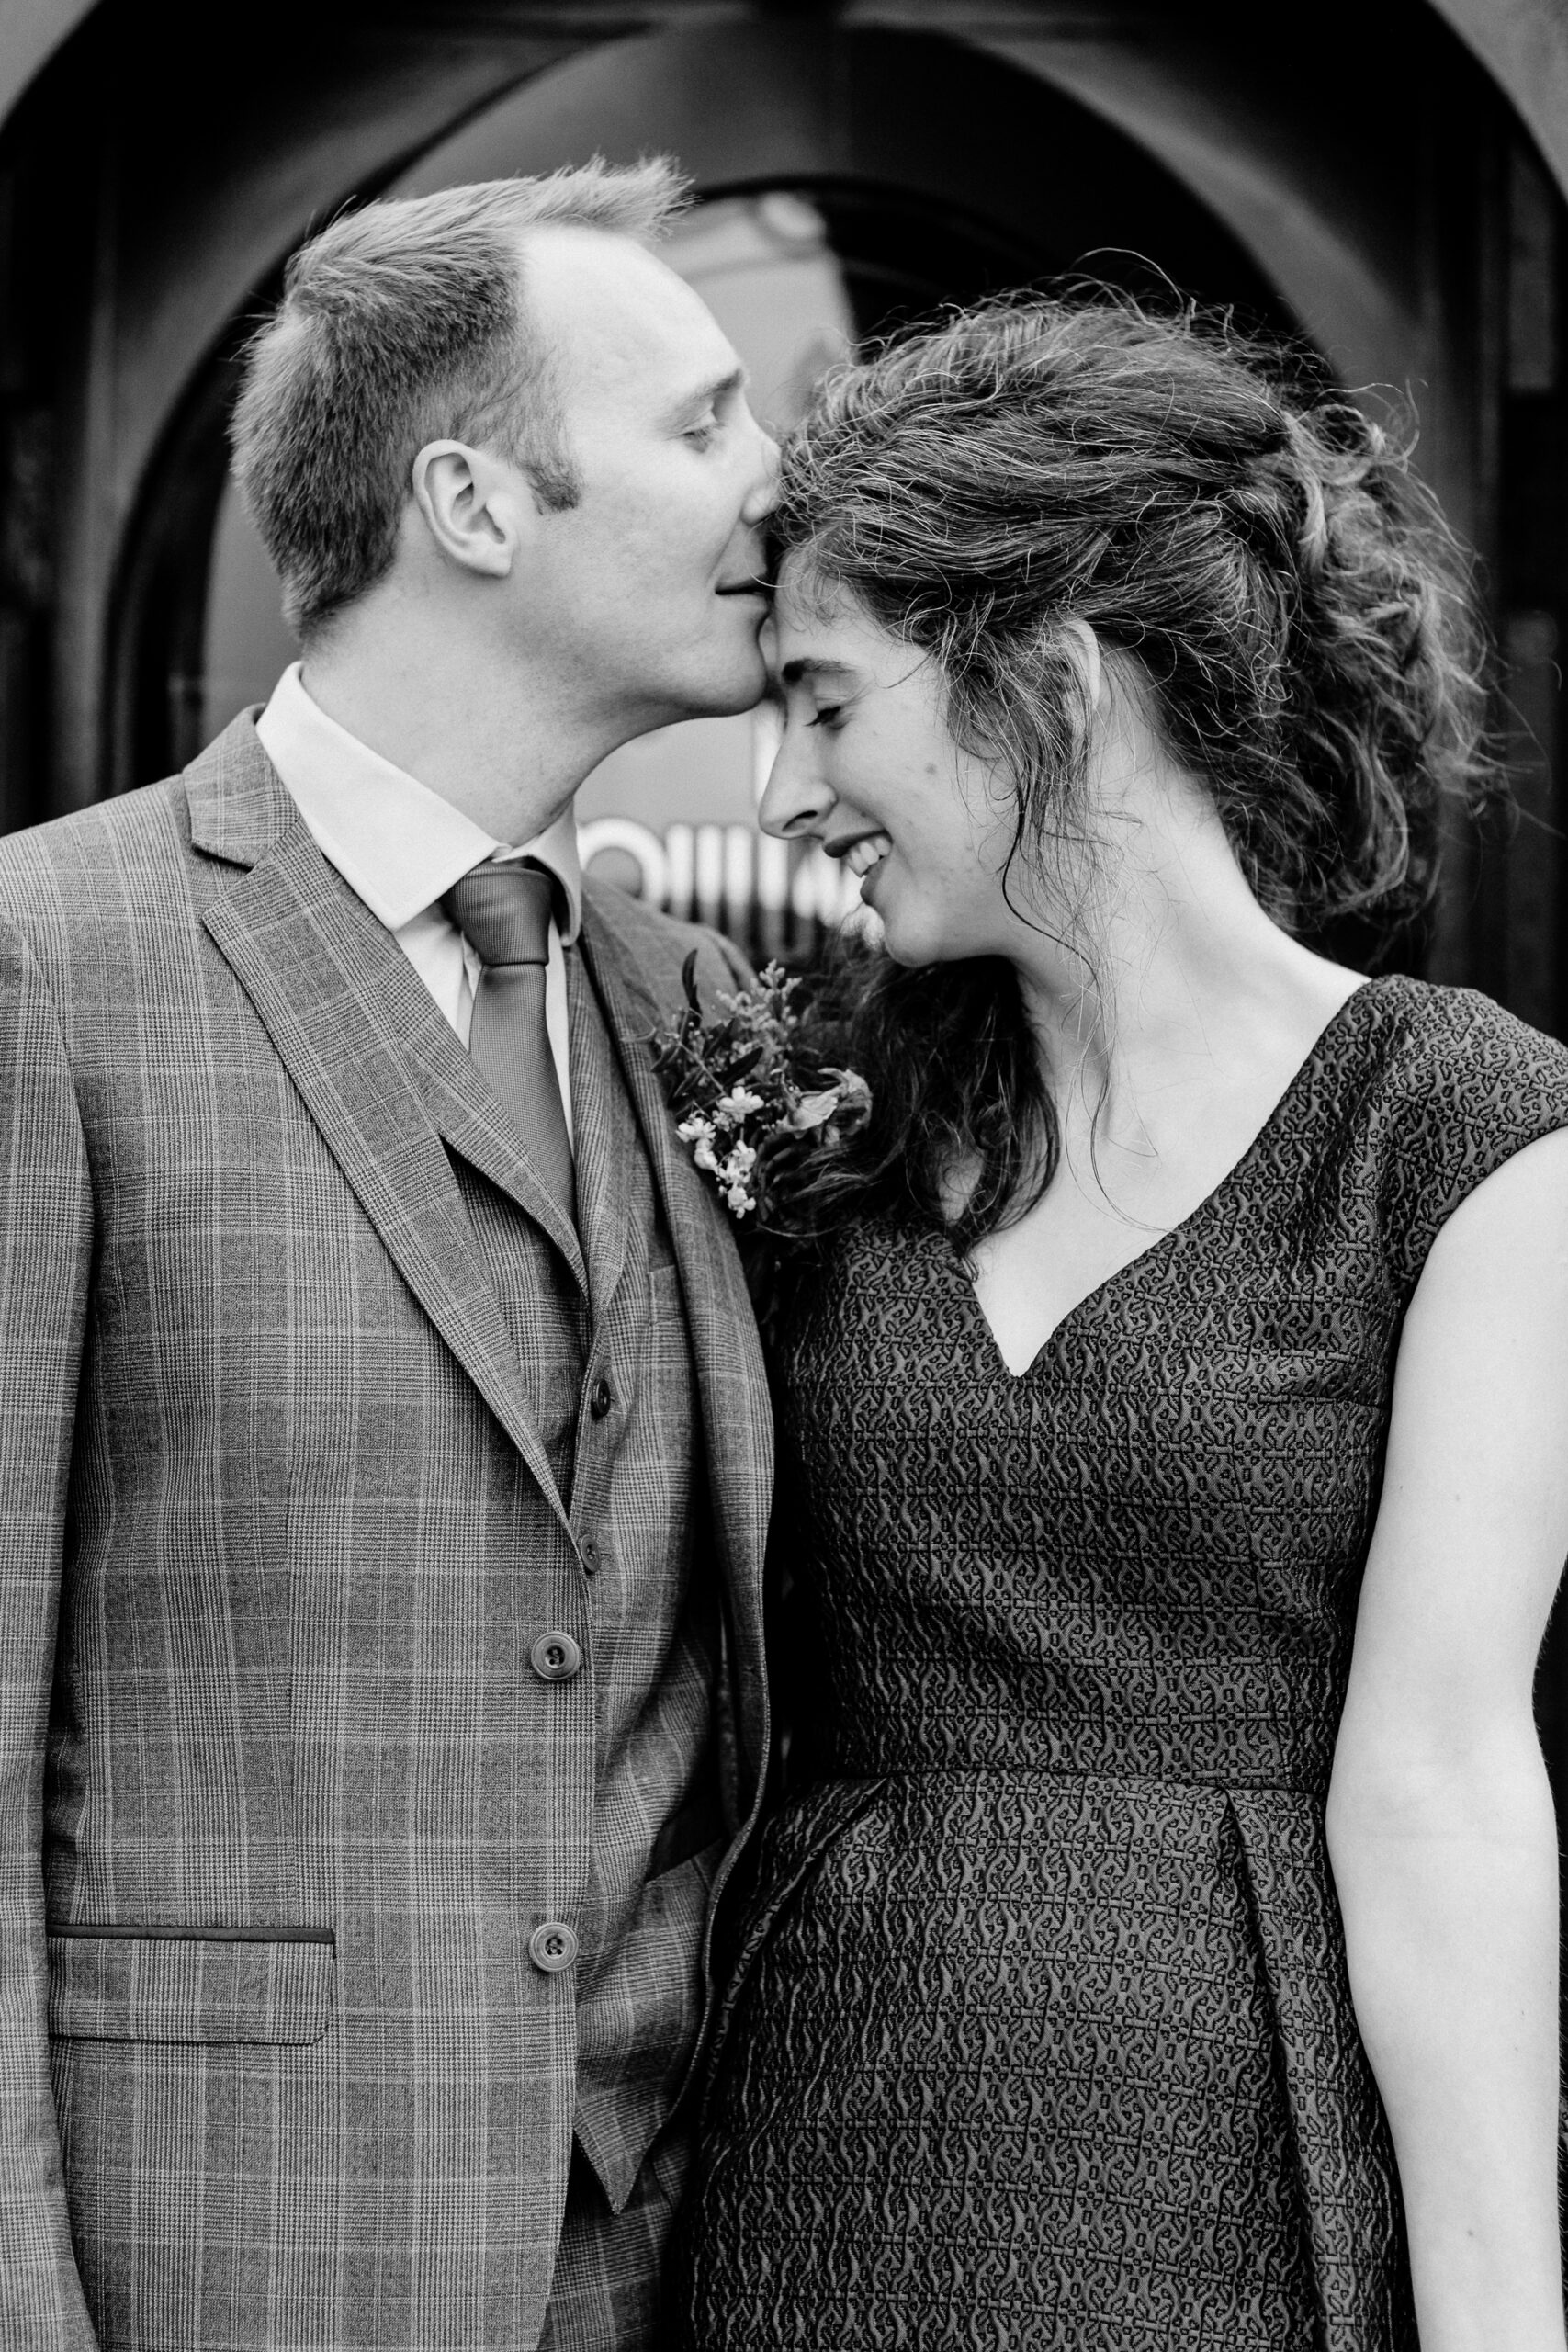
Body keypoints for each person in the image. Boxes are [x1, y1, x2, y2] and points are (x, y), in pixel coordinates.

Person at [677, 297, 1568, 2351]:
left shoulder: (1451, 1129)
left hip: (1224, 2162)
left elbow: (1437, 1775)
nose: (778, 780)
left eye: (822, 700)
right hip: (820, 2143)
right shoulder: (828, 1121)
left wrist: (1499, 2325)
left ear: (1049, 684)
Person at [0, 160, 779, 2351]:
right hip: (227, 2258)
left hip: (674, 2255)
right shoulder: (47, 963)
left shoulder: (687, 996)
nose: (773, 473)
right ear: (470, 496)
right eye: (703, 417)